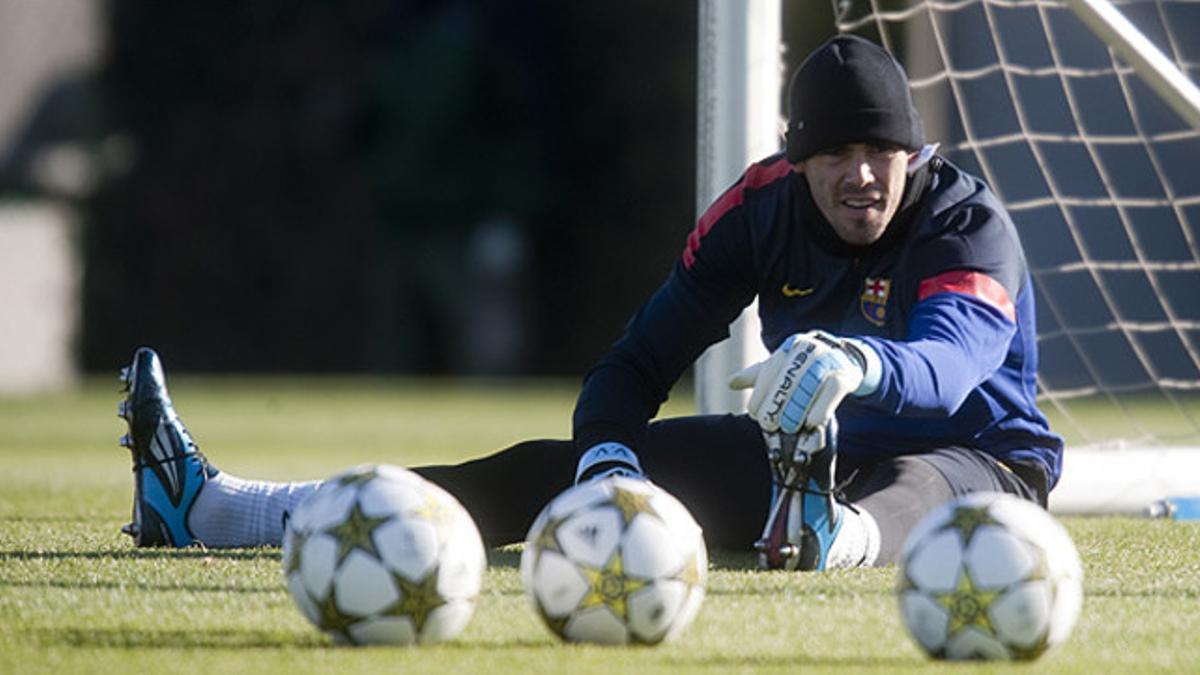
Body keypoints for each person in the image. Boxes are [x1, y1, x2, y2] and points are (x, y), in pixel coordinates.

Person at [116, 35, 1062, 570]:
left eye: (881, 154)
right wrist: (608, 448)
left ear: (913, 155)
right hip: (800, 461)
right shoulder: (758, 211)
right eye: (835, 156)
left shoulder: (965, 222)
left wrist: (859, 361)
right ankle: (218, 510)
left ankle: (833, 540)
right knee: (550, 468)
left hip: (979, 457)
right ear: (798, 160)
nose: (861, 176)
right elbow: (640, 359)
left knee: (918, 491)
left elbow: (951, 370)